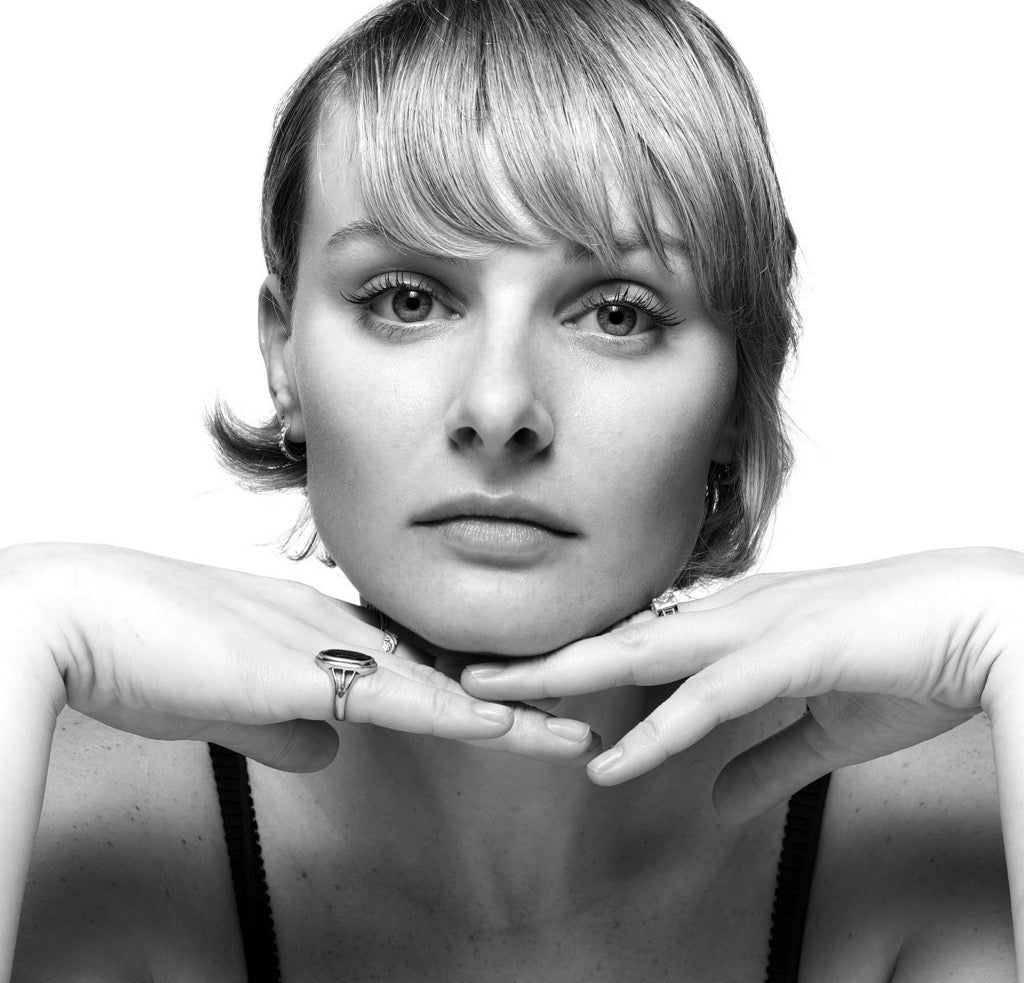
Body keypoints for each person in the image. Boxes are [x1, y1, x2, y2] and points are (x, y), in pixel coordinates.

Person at [1, 1, 1022, 981]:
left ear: (738, 386)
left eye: (616, 313)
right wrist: (21, 618)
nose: (498, 406)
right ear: (284, 353)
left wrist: (1009, 625)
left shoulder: (951, 822)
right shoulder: (71, 815)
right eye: (406, 299)